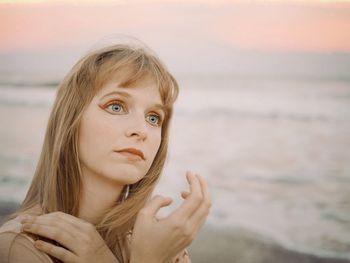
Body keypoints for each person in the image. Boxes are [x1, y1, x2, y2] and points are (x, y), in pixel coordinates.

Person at [0, 41, 211, 263]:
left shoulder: (165, 249)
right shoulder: (19, 248)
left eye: (153, 118)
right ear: (71, 119)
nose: (141, 130)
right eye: (116, 106)